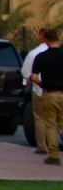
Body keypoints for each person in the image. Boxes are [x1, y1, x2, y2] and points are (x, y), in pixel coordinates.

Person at [30, 29, 63, 165]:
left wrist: (43, 84)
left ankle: (54, 155)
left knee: (50, 125)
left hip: (49, 93)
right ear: (58, 38)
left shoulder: (41, 57)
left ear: (46, 40)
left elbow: (34, 77)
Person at [23, 36, 48, 151]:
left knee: (40, 118)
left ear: (41, 38)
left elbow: (27, 74)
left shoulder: (35, 54)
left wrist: (40, 84)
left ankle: (43, 146)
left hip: (40, 91)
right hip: (58, 91)